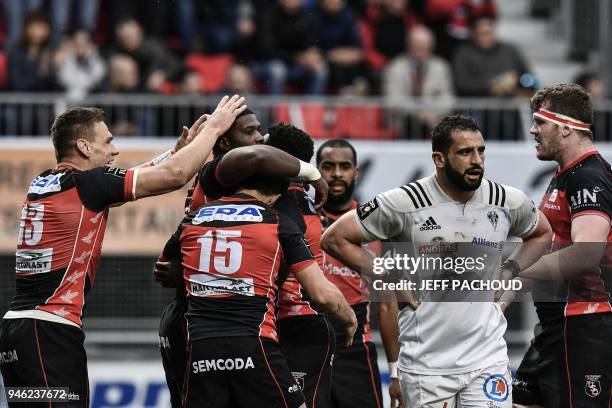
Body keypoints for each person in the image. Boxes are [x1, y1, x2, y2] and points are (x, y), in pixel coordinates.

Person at [0, 95, 247, 407]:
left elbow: (119, 184)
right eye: (108, 141)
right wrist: (214, 128)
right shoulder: (88, 185)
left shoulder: (46, 182)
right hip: (49, 332)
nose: (115, 150)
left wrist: (174, 153)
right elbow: (175, 176)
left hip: (17, 331)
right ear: (84, 147)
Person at [321, 115, 552, 407]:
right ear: (439, 159)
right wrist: (387, 277)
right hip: (425, 365)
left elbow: (542, 233)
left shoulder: (505, 199)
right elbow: (334, 238)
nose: (476, 160)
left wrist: (509, 271)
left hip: (487, 360)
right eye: (465, 152)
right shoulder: (404, 201)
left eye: (481, 151)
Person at [155, 115, 330, 407]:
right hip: (198, 322)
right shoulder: (217, 174)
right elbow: (256, 155)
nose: (260, 138)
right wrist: (313, 173)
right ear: (225, 142)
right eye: (251, 131)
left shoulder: (270, 202)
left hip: (227, 328)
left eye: (261, 131)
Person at [159, 172, 357, 407]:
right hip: (258, 340)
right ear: (276, 194)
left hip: (201, 347)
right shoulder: (278, 219)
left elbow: (161, 269)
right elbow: (323, 294)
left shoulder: (194, 217)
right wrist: (349, 317)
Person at [510, 83, 612, 407]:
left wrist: (519, 277)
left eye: (540, 122)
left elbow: (586, 253)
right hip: (557, 327)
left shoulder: (589, 177)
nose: (532, 130)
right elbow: (542, 245)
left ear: (566, 128)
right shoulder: (564, 175)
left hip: (585, 326)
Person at [315, 139, 384, 408]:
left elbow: (389, 302)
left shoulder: (377, 224)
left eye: (345, 166)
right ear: (316, 171)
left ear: (356, 172)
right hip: (307, 339)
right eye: (328, 166)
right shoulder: (298, 218)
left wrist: (396, 367)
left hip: (355, 344)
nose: (336, 174)